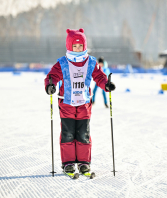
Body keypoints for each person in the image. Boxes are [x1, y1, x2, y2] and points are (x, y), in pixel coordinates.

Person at [44, 28, 116, 174]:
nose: (78, 49)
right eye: (74, 46)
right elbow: (51, 76)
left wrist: (106, 85)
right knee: (68, 134)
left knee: (83, 134)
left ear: (84, 46)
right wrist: (50, 86)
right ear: (69, 46)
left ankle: (84, 163)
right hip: (67, 104)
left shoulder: (91, 62)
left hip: (84, 104)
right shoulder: (62, 63)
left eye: (80, 46)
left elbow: (100, 77)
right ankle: (68, 163)